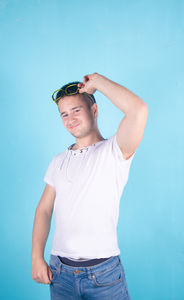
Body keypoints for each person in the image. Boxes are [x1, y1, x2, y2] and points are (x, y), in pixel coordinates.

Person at [31, 72, 148, 299]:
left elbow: (138, 110)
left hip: (104, 276)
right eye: (64, 114)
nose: (70, 119)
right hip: (60, 273)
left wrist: (98, 83)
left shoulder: (114, 151)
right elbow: (44, 209)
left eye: (76, 110)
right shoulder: (58, 161)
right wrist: (37, 256)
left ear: (94, 110)